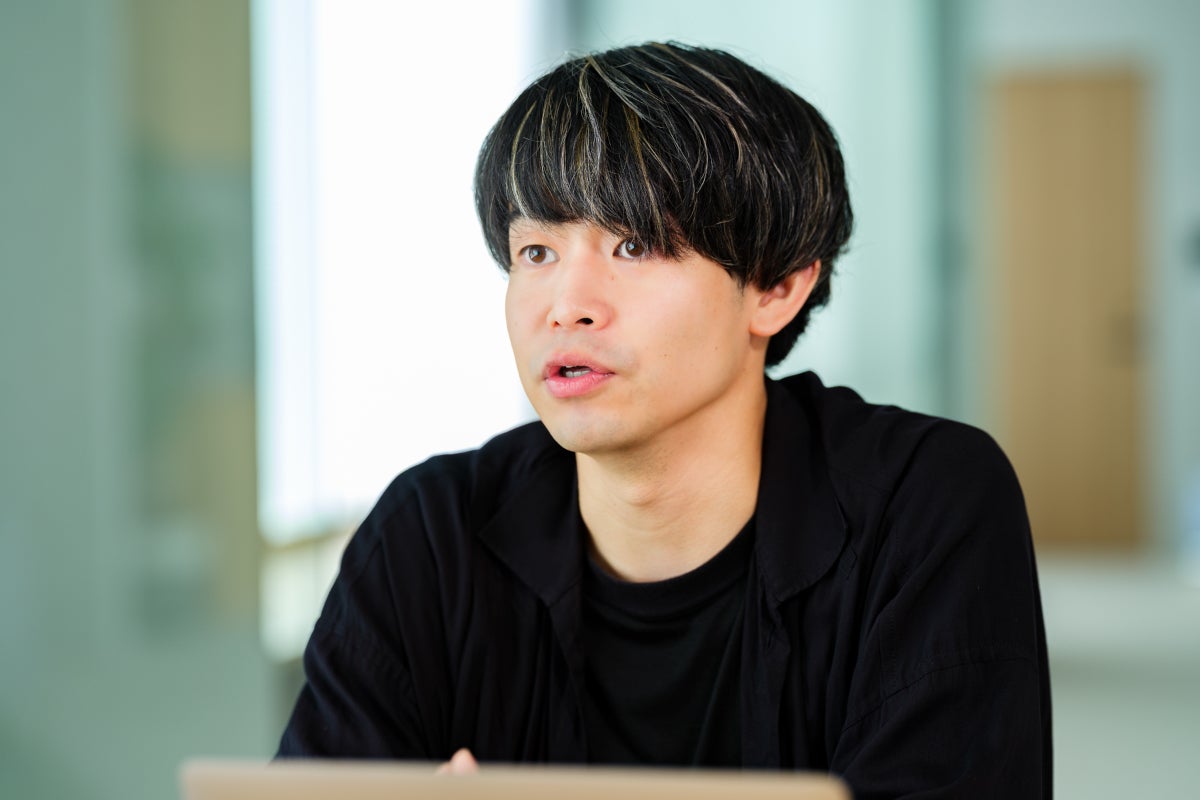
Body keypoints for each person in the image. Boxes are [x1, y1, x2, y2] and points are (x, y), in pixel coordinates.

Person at [277, 41, 1052, 797]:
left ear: (776, 287)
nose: (567, 307)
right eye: (536, 252)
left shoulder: (924, 502)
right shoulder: (429, 535)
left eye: (634, 244)